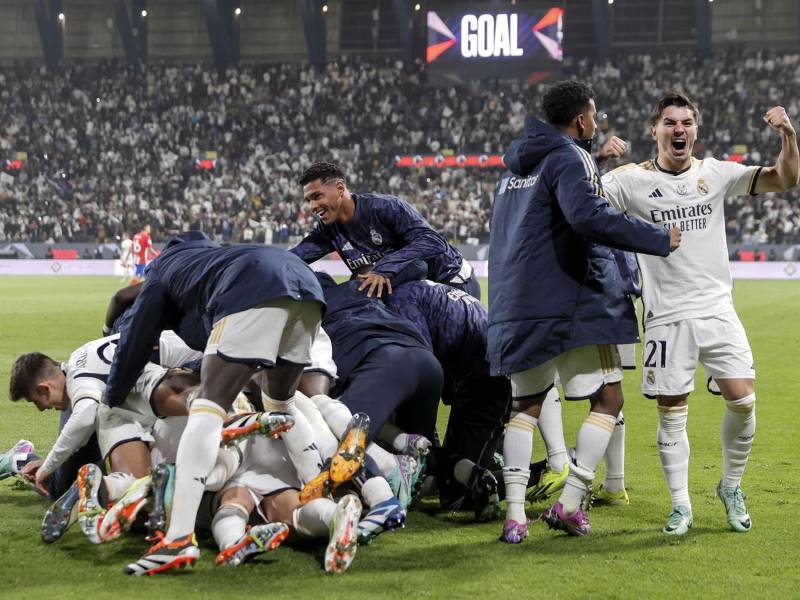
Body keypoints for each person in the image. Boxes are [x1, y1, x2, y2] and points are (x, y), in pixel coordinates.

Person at [488, 80, 681, 543]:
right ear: (581, 119)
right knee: (609, 400)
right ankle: (570, 502)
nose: (596, 123)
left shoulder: (513, 171)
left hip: (516, 305)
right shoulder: (570, 156)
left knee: (524, 407)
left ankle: (514, 517)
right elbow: (587, 216)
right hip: (567, 302)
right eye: (594, 115)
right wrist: (657, 239)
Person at [601, 93, 799, 535]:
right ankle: (680, 506)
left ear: (696, 130)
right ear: (654, 131)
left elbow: (785, 177)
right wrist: (594, 157)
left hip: (715, 307)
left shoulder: (715, 173)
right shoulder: (629, 180)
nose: (679, 130)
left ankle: (730, 487)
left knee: (743, 399)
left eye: (687, 123)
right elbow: (582, 202)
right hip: (666, 315)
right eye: (670, 123)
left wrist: (788, 134)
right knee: (672, 410)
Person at [103, 230, 328, 575]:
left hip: (255, 289)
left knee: (209, 405)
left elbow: (136, 336)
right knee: (280, 404)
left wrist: (114, 395)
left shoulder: (163, 268)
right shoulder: (216, 256)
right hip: (307, 289)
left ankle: (177, 539)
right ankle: (323, 498)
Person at [384, 277, 511, 521]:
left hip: (488, 380)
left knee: (456, 497)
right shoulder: (415, 291)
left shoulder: (400, 304)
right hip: (479, 372)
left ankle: (543, 472)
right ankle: (487, 456)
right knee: (451, 471)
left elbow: (422, 368)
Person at [290, 162, 480, 299]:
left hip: (452, 279)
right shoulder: (328, 230)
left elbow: (434, 241)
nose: (312, 206)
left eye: (317, 196)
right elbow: (294, 258)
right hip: (414, 290)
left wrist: (384, 268)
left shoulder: (384, 207)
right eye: (308, 200)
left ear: (340, 188)